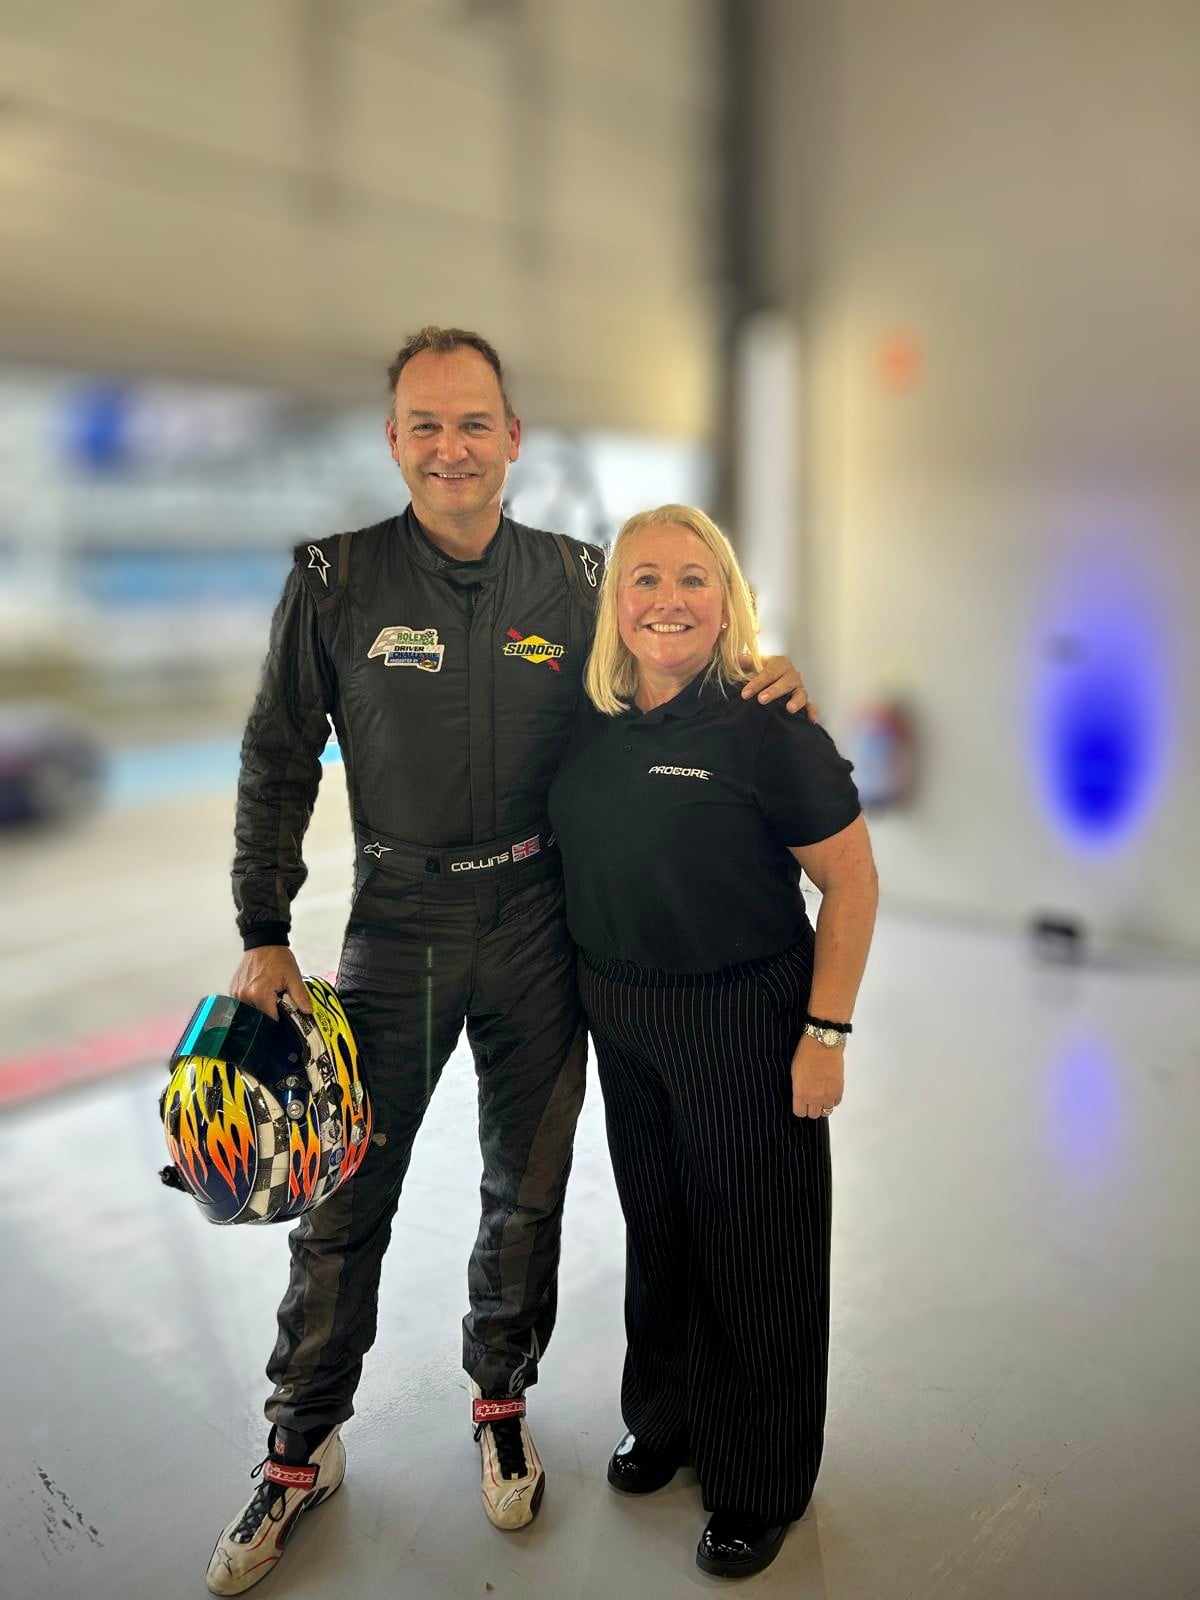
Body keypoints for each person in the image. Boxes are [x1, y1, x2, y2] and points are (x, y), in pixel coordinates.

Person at [207, 328, 810, 1595]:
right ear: (393, 441)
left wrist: (763, 675)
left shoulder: (579, 576)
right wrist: (266, 925)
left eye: (474, 423)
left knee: (524, 1187)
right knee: (343, 1200)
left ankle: (500, 1400)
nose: (450, 447)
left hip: (540, 923)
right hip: (397, 930)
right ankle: (298, 1446)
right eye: (424, 425)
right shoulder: (333, 578)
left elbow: (666, 646)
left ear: (514, 437)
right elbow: (276, 756)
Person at [548, 504, 878, 1580]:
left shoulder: (769, 726)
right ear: (616, 605)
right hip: (623, 1009)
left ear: (728, 599)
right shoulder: (590, 718)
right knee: (664, 1228)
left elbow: (852, 883)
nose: (667, 600)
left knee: (758, 1249)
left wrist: (824, 1033)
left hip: (743, 1012)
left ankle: (759, 1481)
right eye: (644, 579)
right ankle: (671, 1419)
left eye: (694, 579)